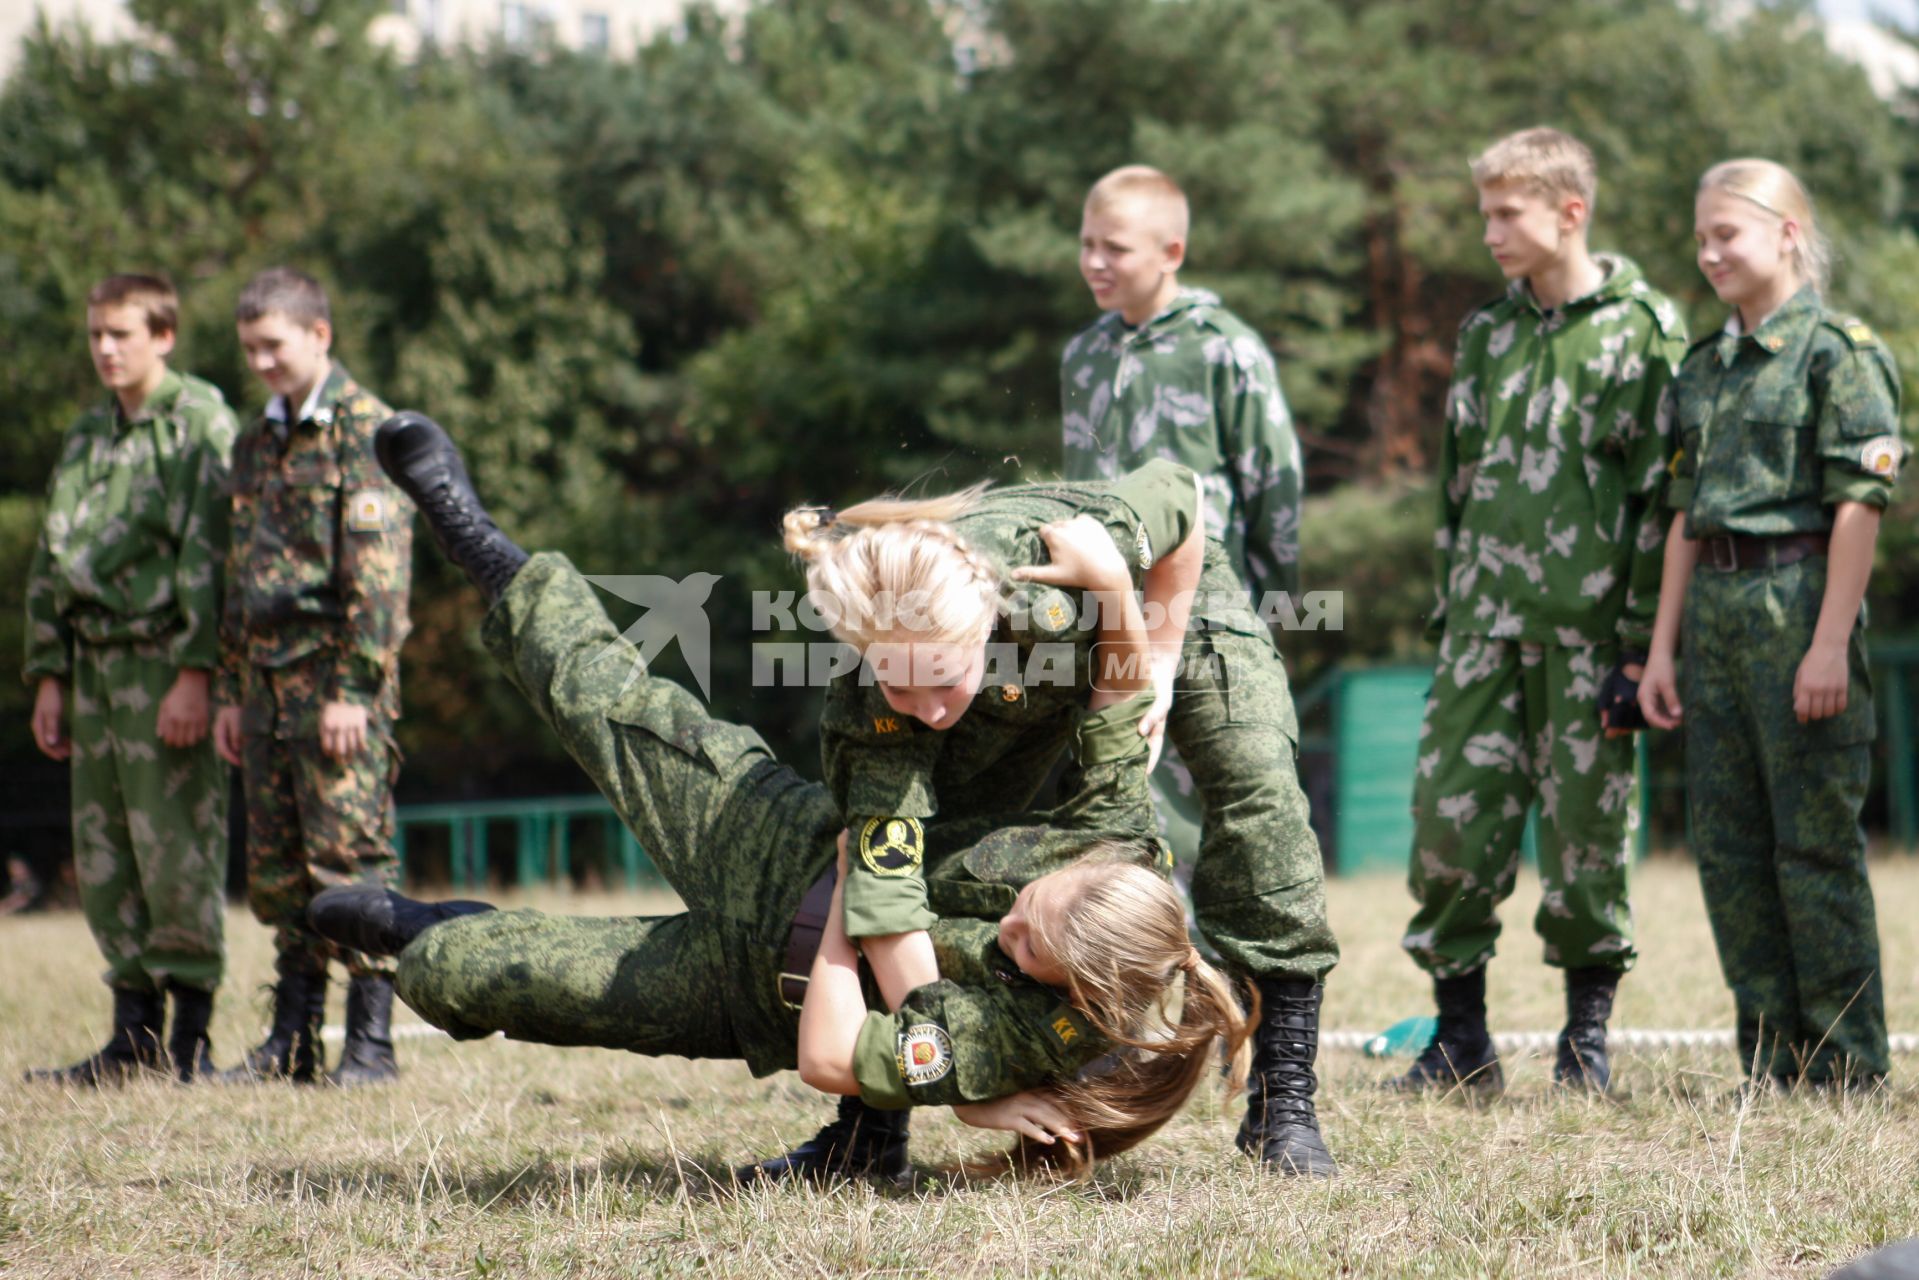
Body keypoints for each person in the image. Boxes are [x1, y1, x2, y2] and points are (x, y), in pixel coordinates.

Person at [335, 410, 1251, 1179]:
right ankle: (470, 530)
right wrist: (1121, 599)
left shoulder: (1042, 1025)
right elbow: (1109, 714)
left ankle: (420, 926)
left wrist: (965, 1086)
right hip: (775, 839)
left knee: (482, 977)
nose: (928, 711)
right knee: (601, 695)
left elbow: (859, 1021)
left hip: (752, 991)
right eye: (1031, 909)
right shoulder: (1091, 832)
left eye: (1026, 947)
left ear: (1077, 986)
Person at [765, 460, 1339, 1178]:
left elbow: (1181, 497)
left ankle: (1283, 1105)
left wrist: (1151, 654)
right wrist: (956, 1077)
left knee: (1257, 790)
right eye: (895, 683)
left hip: (1166, 602)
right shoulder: (882, 681)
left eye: (937, 682)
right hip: (1018, 658)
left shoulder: (1056, 554)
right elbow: (887, 884)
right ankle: (871, 1127)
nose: (925, 707)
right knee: (944, 851)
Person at [1394, 127, 1687, 1098]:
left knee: (1585, 846)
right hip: (1480, 630)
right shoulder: (1486, 333)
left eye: (1504, 212)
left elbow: (1662, 501)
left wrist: (1644, 648)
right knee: (1446, 830)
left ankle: (1582, 1046)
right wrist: (1449, 614)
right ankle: (1458, 1040)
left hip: (1590, 636)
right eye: (1482, 211)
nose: (1487, 231)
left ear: (1568, 210)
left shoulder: (1645, 331)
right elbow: (1456, 485)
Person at [1639, 159, 1902, 1093]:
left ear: (1788, 234)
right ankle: (1771, 1058)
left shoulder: (1839, 351)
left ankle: (1844, 1063)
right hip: (1710, 618)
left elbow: (1858, 508)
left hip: (1796, 605)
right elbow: (1682, 513)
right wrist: (1659, 650)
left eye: (1728, 234)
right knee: (1731, 850)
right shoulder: (1702, 368)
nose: (1709, 253)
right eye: (1700, 238)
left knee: (1812, 846)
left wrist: (1829, 642)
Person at [22, 273, 238, 1085]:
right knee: (107, 849)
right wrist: (49, 673)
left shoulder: (200, 426)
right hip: (93, 668)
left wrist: (197, 672)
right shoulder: (87, 434)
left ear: (164, 336)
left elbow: (210, 558)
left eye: (122, 333)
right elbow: (51, 560)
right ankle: (132, 1035)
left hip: (164, 660)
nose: (106, 349)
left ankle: (190, 1038)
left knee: (175, 841)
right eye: (96, 335)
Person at [1060, 163, 1304, 871]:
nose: (1095, 263)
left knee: (1225, 795)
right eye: (1086, 245)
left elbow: (1274, 489)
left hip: (1205, 607)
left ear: (1171, 253)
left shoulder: (1224, 347)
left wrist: (1276, 610)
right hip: (1108, 607)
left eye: (1115, 248)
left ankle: (1231, 965)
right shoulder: (1083, 355)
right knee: (1123, 788)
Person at [212, 268, 414, 1086]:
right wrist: (230, 689)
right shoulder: (253, 440)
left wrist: (355, 690)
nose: (260, 362)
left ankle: (370, 1044)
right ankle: (290, 1040)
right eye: (249, 348)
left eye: (274, 345)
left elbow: (380, 579)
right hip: (261, 685)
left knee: (350, 859)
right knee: (279, 868)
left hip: (334, 683)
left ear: (319, 336)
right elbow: (240, 576)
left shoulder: (366, 429)